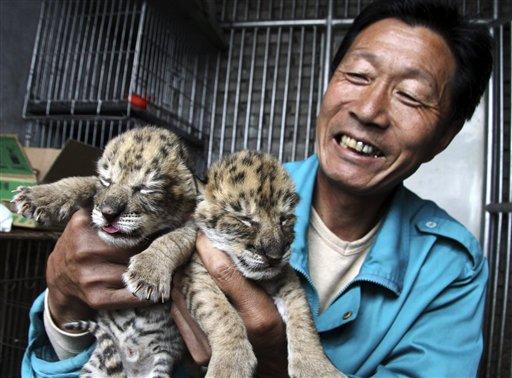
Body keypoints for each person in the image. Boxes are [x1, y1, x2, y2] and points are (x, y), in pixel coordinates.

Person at [22, 0, 493, 377]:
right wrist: (62, 305)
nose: (369, 110)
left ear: (445, 136)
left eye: (410, 95)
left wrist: (269, 362)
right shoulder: (218, 194)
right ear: (328, 85)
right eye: (358, 75)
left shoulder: (452, 267)